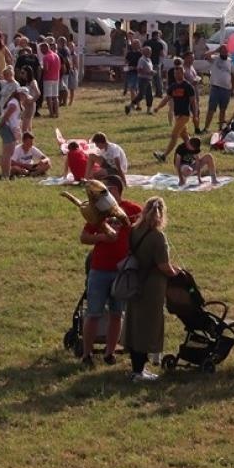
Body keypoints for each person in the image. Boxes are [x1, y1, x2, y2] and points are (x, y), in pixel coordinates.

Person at [78, 174, 143, 366]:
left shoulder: (133, 210)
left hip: (122, 271)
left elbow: (140, 235)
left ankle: (110, 352)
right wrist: (101, 238)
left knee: (117, 313)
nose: (103, 195)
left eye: (108, 190)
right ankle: (87, 354)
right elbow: (83, 237)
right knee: (93, 313)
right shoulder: (98, 211)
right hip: (99, 269)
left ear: (117, 191)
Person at [123, 197, 183, 382]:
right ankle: (140, 371)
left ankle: (136, 368)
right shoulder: (157, 237)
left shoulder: (134, 231)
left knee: (134, 324)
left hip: (134, 282)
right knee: (147, 327)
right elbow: (163, 265)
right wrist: (177, 273)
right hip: (152, 286)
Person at [151, 66, 197, 165]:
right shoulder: (173, 86)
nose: (176, 75)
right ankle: (194, 156)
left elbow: (193, 102)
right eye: (175, 74)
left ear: (183, 73)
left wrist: (195, 115)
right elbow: (166, 99)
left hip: (184, 115)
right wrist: (158, 107)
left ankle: (164, 156)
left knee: (174, 135)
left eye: (179, 73)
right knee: (185, 137)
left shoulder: (188, 86)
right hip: (177, 116)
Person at [203, 47, 234, 133]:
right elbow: (206, 55)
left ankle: (221, 127)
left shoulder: (230, 61)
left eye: (226, 51)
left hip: (226, 89)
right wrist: (216, 50)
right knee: (211, 109)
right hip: (215, 88)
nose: (224, 52)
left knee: (223, 109)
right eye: (222, 50)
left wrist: (233, 88)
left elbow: (233, 75)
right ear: (220, 51)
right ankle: (206, 128)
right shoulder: (215, 59)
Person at [0, 89, 22, 179]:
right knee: (8, 153)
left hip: (7, 128)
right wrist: (0, 126)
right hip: (6, 127)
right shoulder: (14, 103)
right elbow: (6, 116)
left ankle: (5, 173)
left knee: (6, 152)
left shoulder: (15, 102)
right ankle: (6, 175)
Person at [39, 38, 62, 118]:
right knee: (55, 96)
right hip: (56, 77)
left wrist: (40, 68)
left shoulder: (46, 57)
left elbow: (46, 69)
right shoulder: (56, 55)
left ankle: (51, 113)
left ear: (45, 48)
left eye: (41, 49)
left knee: (49, 97)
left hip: (48, 78)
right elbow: (59, 67)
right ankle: (57, 113)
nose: (41, 51)